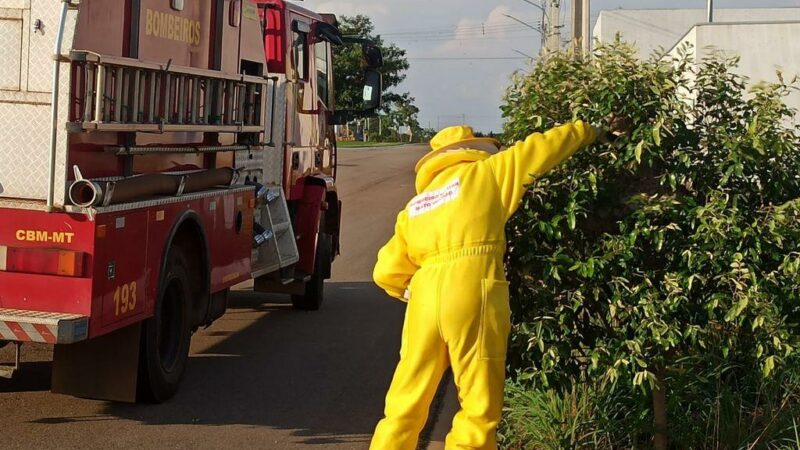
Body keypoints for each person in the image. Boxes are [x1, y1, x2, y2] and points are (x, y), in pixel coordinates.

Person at [370, 121, 606, 449]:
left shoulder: (415, 208)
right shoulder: (489, 173)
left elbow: (385, 272)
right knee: (478, 406)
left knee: (405, 401)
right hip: (472, 284)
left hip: (423, 295)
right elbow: (540, 148)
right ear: (474, 150)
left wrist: (410, 291)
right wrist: (588, 130)